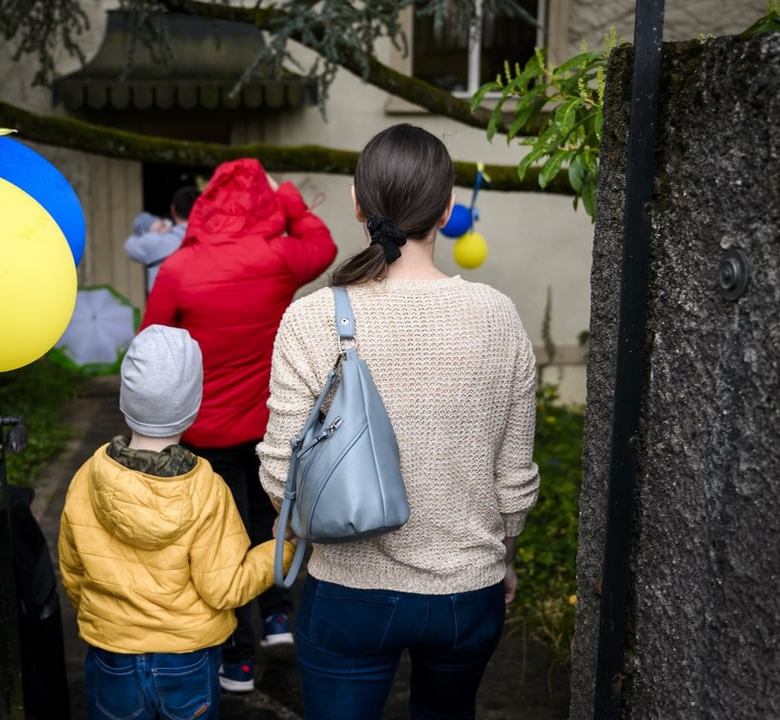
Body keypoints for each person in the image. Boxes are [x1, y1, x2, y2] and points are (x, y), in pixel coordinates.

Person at [257, 123, 541, 720]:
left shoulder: (310, 320)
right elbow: (514, 479)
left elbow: (283, 482)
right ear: (447, 210)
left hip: (347, 595)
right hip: (469, 591)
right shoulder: (499, 318)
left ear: (358, 205)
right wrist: (504, 558)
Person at [140, 157, 337, 692]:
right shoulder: (280, 256)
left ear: (205, 206)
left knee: (215, 540)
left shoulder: (181, 267)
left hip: (204, 432)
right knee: (268, 520)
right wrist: (288, 194)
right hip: (270, 427)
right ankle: (277, 617)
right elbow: (325, 245)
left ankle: (237, 659)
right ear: (263, 204)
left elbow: (152, 343)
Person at [57, 325, 295, 720]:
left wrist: (106, 618)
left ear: (125, 399)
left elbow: (73, 569)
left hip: (111, 654)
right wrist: (281, 548)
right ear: (193, 404)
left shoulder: (88, 476)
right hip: (187, 658)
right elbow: (225, 588)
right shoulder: (207, 489)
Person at [124, 185, 201, 295]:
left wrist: (152, 226)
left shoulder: (157, 241)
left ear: (173, 210)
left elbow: (129, 245)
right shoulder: (217, 240)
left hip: (165, 309)